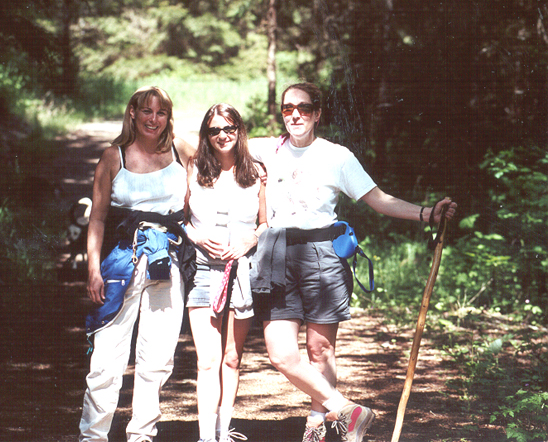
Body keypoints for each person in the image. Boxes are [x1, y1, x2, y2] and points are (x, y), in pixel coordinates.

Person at [248, 82, 457, 442]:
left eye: (304, 108)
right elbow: (210, 144)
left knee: (320, 348)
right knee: (281, 353)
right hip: (277, 254)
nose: (295, 114)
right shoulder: (266, 149)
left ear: (317, 114)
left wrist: (427, 214)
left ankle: (317, 425)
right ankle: (347, 408)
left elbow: (378, 199)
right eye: (287, 109)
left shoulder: (337, 156)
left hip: (322, 255)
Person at [79, 86, 195, 442]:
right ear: (133, 113)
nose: (153, 119)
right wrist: (93, 270)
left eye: (160, 113)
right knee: (106, 357)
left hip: (168, 260)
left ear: (168, 117)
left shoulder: (182, 149)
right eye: (146, 111)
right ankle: (93, 436)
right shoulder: (113, 157)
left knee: (158, 356)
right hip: (121, 261)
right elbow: (97, 218)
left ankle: (142, 435)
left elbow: (219, 169)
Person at [184, 104, 268, 442]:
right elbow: (180, 219)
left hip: (241, 271)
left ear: (240, 131)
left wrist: (252, 237)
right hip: (203, 268)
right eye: (215, 130)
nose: (223, 135)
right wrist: (196, 235)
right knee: (208, 360)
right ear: (206, 134)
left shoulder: (256, 172)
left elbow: (265, 223)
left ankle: (224, 431)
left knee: (231, 358)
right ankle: (206, 437)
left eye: (229, 128)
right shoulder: (192, 168)